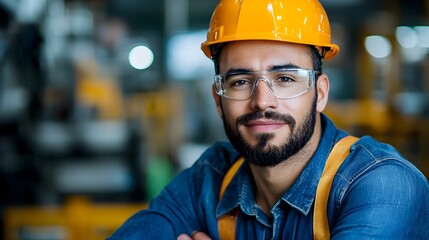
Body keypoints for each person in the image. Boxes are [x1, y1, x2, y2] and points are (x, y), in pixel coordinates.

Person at [108, 0, 429, 239]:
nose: (262, 101)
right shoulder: (210, 179)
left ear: (320, 92)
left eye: (285, 78)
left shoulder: (383, 185)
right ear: (218, 100)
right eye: (240, 81)